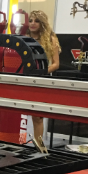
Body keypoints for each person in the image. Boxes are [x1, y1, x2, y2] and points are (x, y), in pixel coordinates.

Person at [27, 10, 61, 144]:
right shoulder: (25, 37)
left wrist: (42, 72)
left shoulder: (51, 39)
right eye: (30, 20)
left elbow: (56, 64)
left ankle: (39, 146)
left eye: (36, 21)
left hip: (41, 80)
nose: (32, 23)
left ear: (42, 23)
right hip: (25, 79)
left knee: (37, 117)